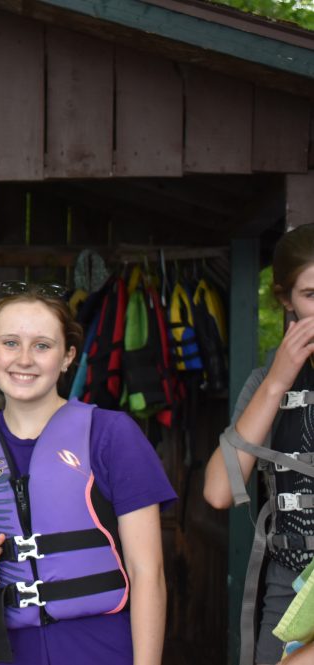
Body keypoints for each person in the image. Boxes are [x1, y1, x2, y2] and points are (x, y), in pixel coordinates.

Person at [0, 283, 174, 665]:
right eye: (10, 343)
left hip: (101, 646)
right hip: (9, 650)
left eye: (43, 345)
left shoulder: (112, 435)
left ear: (67, 357)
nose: (25, 359)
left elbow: (148, 571)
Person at [204, 223, 314, 665]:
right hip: (289, 587)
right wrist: (277, 383)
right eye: (312, 294)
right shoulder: (264, 383)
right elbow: (216, 490)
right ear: (286, 300)